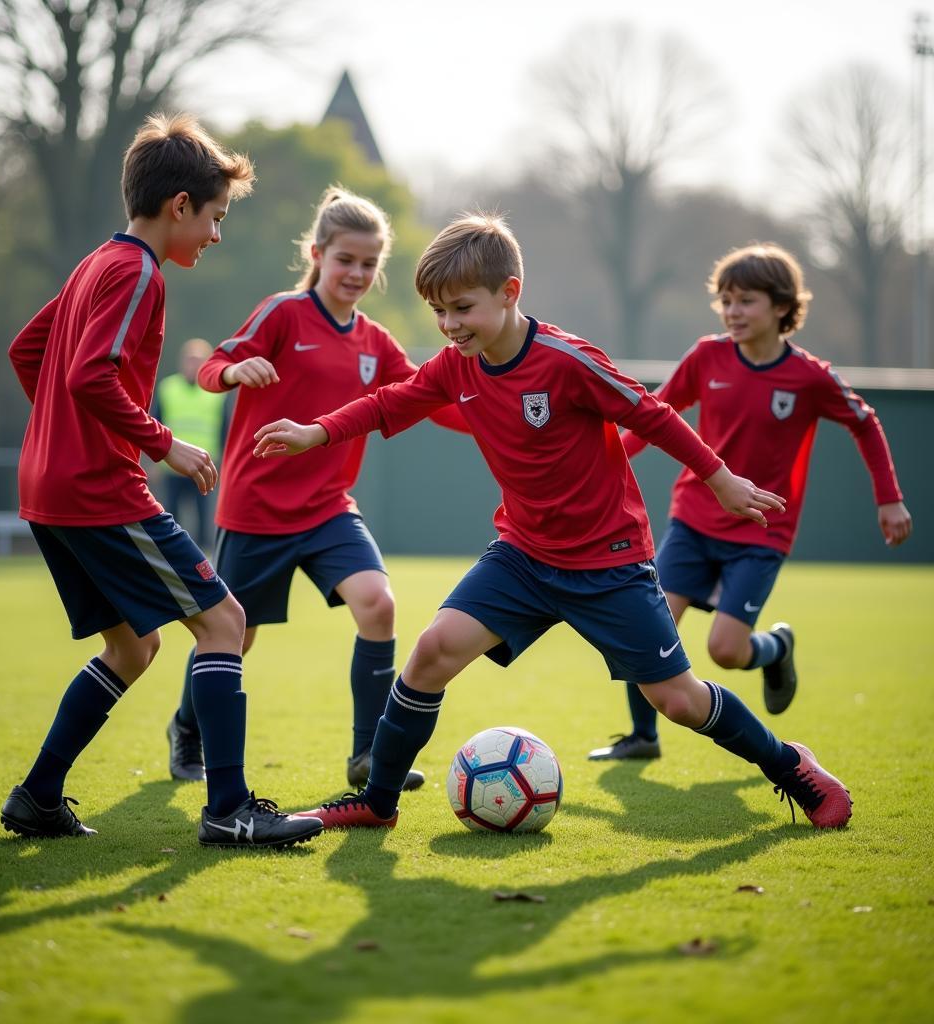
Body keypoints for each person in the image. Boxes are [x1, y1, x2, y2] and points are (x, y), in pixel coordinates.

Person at [252, 213, 854, 832]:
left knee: (677, 700)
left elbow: (652, 415)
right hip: (522, 555)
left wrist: (720, 478)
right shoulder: (456, 364)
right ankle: (378, 802)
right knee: (431, 653)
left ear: (510, 292)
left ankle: (793, 768)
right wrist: (315, 432)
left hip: (609, 562)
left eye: (462, 308)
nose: (450, 325)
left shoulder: (567, 360)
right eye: (438, 311)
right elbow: (389, 402)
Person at [1, 112, 322, 850]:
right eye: (214, 218)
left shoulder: (94, 264)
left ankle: (38, 796)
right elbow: (86, 374)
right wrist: (163, 443)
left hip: (48, 489)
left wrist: (60, 436)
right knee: (225, 623)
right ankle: (231, 808)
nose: (216, 236)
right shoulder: (138, 274)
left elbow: (30, 353)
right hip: (96, 490)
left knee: (135, 647)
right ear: (180, 205)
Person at [165, 186, 468, 790]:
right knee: (233, 637)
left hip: (330, 509)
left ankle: (368, 756)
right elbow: (208, 367)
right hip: (255, 512)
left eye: (368, 264)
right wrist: (231, 369)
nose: (356, 273)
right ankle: (186, 728)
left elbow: (427, 400)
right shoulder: (282, 313)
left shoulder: (376, 342)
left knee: (378, 605)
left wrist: (497, 405)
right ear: (317, 253)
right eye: (345, 259)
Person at [588, 242, 912, 762]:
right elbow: (655, 414)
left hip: (761, 532)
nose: (733, 312)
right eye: (726, 301)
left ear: (782, 307)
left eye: (746, 301)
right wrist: (602, 466)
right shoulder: (707, 356)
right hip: (694, 519)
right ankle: (643, 736)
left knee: (726, 651)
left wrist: (889, 499)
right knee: (650, 626)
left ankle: (776, 648)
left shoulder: (811, 377)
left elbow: (865, 422)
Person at [152, 337, 227, 549]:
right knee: (171, 516)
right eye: (190, 359)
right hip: (172, 466)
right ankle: (174, 556)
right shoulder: (168, 388)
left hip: (204, 466)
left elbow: (225, 430)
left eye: (198, 360)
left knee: (204, 517)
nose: (193, 364)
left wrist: (224, 463)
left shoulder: (216, 393)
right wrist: (153, 464)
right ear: (182, 361)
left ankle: (206, 561)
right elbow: (155, 424)